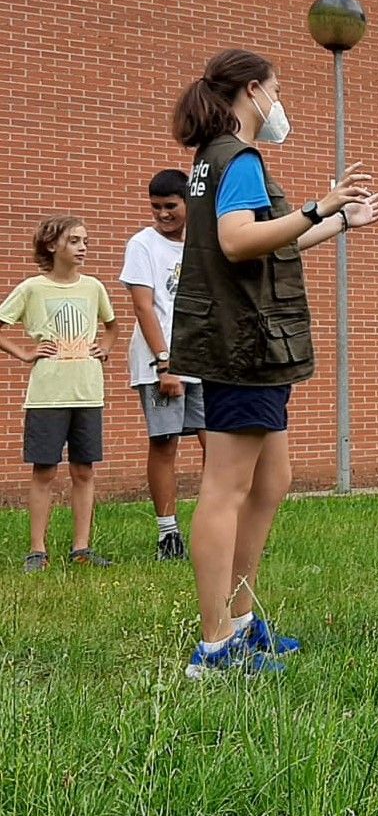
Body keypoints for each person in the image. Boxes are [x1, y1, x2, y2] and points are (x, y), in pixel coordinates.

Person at [169, 48, 378, 678]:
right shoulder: (238, 157)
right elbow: (239, 240)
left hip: (249, 345)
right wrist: (319, 207)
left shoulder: (213, 160)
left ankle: (240, 616)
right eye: (275, 89)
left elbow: (268, 241)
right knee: (226, 488)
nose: (279, 104)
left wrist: (340, 221)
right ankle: (215, 647)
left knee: (272, 479)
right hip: (243, 344)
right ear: (251, 92)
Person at [0, 216, 117, 571]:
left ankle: (81, 548)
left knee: (84, 470)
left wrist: (105, 347)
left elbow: (111, 326)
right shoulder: (33, 288)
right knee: (45, 471)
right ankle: (38, 550)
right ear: (52, 246)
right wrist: (23, 353)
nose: (83, 248)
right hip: (47, 395)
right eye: (75, 241)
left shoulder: (94, 287)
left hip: (87, 393)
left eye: (86, 241)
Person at [121, 169, 208, 561]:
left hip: (205, 361)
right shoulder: (143, 245)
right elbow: (144, 306)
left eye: (170, 206)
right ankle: (168, 536)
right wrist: (164, 364)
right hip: (162, 362)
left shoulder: (204, 244)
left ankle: (214, 525)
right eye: (155, 207)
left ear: (189, 204)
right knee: (165, 443)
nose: (162, 214)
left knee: (218, 444)